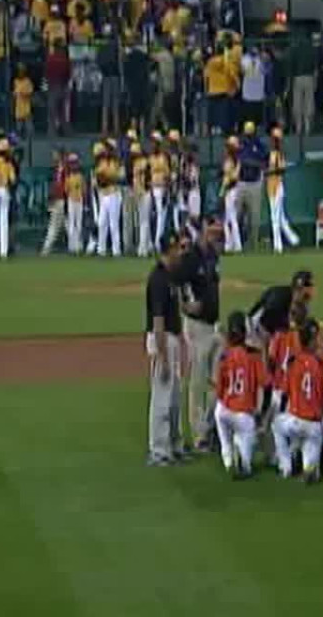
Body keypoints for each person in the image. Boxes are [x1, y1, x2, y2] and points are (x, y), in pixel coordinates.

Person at [173, 216, 224, 453]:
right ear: (203, 230)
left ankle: (210, 427)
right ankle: (199, 434)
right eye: (212, 229)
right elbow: (176, 280)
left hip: (213, 325)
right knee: (198, 380)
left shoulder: (213, 255)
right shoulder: (191, 257)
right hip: (196, 326)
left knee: (217, 379)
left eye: (218, 230)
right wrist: (185, 305)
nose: (216, 233)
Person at [145, 231, 185, 466]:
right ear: (168, 251)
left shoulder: (171, 276)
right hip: (162, 341)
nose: (180, 252)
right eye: (177, 248)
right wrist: (164, 358)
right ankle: (158, 451)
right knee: (161, 399)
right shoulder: (158, 279)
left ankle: (174, 446)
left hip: (172, 339)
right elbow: (158, 321)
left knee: (174, 399)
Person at [272, 318, 323, 482]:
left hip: (295, 421)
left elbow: (284, 394)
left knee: (277, 425)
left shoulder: (293, 363)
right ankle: (309, 466)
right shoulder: (321, 364)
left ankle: (286, 467)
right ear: (311, 341)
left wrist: (285, 412)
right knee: (310, 452)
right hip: (315, 426)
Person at [214, 310, 267, 478]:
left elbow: (219, 391)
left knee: (219, 413)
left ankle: (228, 459)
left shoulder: (225, 355)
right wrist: (259, 412)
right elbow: (264, 385)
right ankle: (241, 457)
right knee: (246, 466)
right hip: (244, 416)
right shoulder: (254, 356)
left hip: (225, 410)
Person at [247, 269, 315, 353]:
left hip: (268, 328)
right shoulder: (279, 301)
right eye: (309, 286)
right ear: (299, 288)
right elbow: (264, 323)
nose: (312, 289)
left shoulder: (300, 304)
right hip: (254, 326)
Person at [265, 126, 299, 254]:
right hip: (271, 186)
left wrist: (269, 171)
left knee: (275, 217)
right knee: (281, 217)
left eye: (274, 139)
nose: (272, 141)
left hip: (277, 186)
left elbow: (281, 169)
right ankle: (294, 239)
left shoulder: (278, 154)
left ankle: (277, 246)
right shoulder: (272, 153)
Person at [236, 121, 266, 249]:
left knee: (254, 218)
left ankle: (253, 243)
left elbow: (263, 161)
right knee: (237, 216)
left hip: (255, 183)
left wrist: (252, 163)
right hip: (241, 183)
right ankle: (238, 243)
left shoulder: (258, 144)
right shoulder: (240, 144)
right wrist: (250, 162)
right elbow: (240, 159)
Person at [94, 139, 124, 257]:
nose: (106, 150)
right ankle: (101, 250)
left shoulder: (116, 162)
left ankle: (116, 251)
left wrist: (105, 178)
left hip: (114, 194)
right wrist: (103, 179)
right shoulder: (102, 162)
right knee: (102, 223)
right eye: (106, 148)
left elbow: (119, 178)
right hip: (104, 194)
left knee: (113, 224)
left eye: (108, 148)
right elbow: (99, 178)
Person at [147, 132, 172, 249]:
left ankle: (158, 242)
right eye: (152, 142)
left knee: (161, 216)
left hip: (162, 188)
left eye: (155, 142)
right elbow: (148, 174)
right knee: (152, 216)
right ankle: (151, 242)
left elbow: (167, 175)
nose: (153, 145)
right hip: (152, 188)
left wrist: (166, 191)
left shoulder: (164, 157)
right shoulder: (150, 157)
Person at [220, 135, 243, 253]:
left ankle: (237, 245)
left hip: (232, 190)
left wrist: (225, 190)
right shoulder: (229, 159)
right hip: (229, 190)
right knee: (226, 220)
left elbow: (234, 178)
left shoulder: (235, 160)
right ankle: (229, 245)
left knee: (231, 219)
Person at [130, 141, 151, 257]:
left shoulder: (144, 162)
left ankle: (143, 248)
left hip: (145, 193)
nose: (132, 154)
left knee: (144, 221)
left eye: (134, 152)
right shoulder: (136, 163)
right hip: (138, 193)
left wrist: (145, 190)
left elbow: (147, 178)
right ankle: (144, 247)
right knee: (142, 221)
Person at [64, 152, 87, 253]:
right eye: (71, 163)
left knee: (78, 223)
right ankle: (72, 245)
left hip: (79, 200)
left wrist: (84, 201)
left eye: (75, 163)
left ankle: (78, 245)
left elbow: (84, 190)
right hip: (71, 200)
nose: (73, 165)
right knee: (72, 223)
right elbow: (66, 190)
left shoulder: (81, 177)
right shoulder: (68, 178)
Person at [12, 63, 34, 135]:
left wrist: (23, 94)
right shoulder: (15, 81)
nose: (21, 73)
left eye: (22, 71)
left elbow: (30, 92)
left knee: (28, 121)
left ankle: (30, 136)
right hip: (18, 105)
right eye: (19, 71)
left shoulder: (28, 81)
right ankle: (19, 135)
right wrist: (15, 94)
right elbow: (14, 92)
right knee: (19, 123)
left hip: (26, 105)